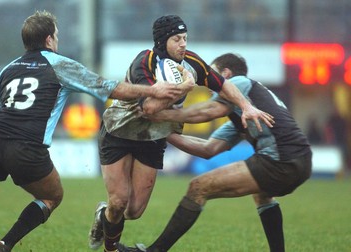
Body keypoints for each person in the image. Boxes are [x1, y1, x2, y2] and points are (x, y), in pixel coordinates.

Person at [0, 10, 195, 252]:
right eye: (56, 36)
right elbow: (107, 87)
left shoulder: (8, 69)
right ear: (49, 40)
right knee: (52, 197)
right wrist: (153, 90)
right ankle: (5, 243)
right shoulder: (60, 65)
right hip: (26, 146)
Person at [88, 16, 274, 252]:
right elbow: (149, 109)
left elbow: (223, 84)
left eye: (185, 38)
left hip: (153, 136)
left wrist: (247, 106)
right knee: (118, 201)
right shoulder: (144, 63)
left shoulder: (191, 61)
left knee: (133, 210)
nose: (183, 44)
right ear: (162, 41)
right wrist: (185, 87)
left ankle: (104, 215)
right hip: (120, 130)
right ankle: (110, 248)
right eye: (177, 39)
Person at [117, 53, 312, 252]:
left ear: (226, 73)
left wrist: (160, 114)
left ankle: (155, 251)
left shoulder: (239, 82)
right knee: (262, 195)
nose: (208, 82)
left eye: (212, 75)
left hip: (280, 160)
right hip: (301, 161)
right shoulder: (242, 112)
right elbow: (208, 149)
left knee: (198, 187)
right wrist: (159, 130)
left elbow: (208, 111)